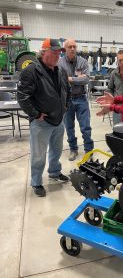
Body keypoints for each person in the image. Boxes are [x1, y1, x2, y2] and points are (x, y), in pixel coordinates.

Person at [17, 38, 71, 197]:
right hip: (41, 123)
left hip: (58, 120)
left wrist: (65, 106)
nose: (57, 55)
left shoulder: (60, 70)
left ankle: (54, 172)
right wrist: (35, 114)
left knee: (57, 151)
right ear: (43, 52)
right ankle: (36, 182)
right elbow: (22, 96)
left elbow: (67, 90)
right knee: (39, 155)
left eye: (58, 52)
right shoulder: (31, 71)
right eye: (53, 52)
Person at [58, 38, 94, 161]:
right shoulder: (60, 63)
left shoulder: (83, 62)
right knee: (69, 127)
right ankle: (73, 149)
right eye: (70, 46)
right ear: (65, 49)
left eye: (74, 46)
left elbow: (86, 79)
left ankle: (89, 152)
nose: (72, 48)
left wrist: (70, 79)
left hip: (81, 98)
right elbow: (60, 80)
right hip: (66, 100)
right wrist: (77, 78)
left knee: (85, 127)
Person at [107, 50, 123, 125]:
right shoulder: (114, 74)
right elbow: (110, 88)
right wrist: (111, 99)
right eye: (120, 60)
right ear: (117, 61)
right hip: (117, 108)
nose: (122, 62)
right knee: (117, 130)